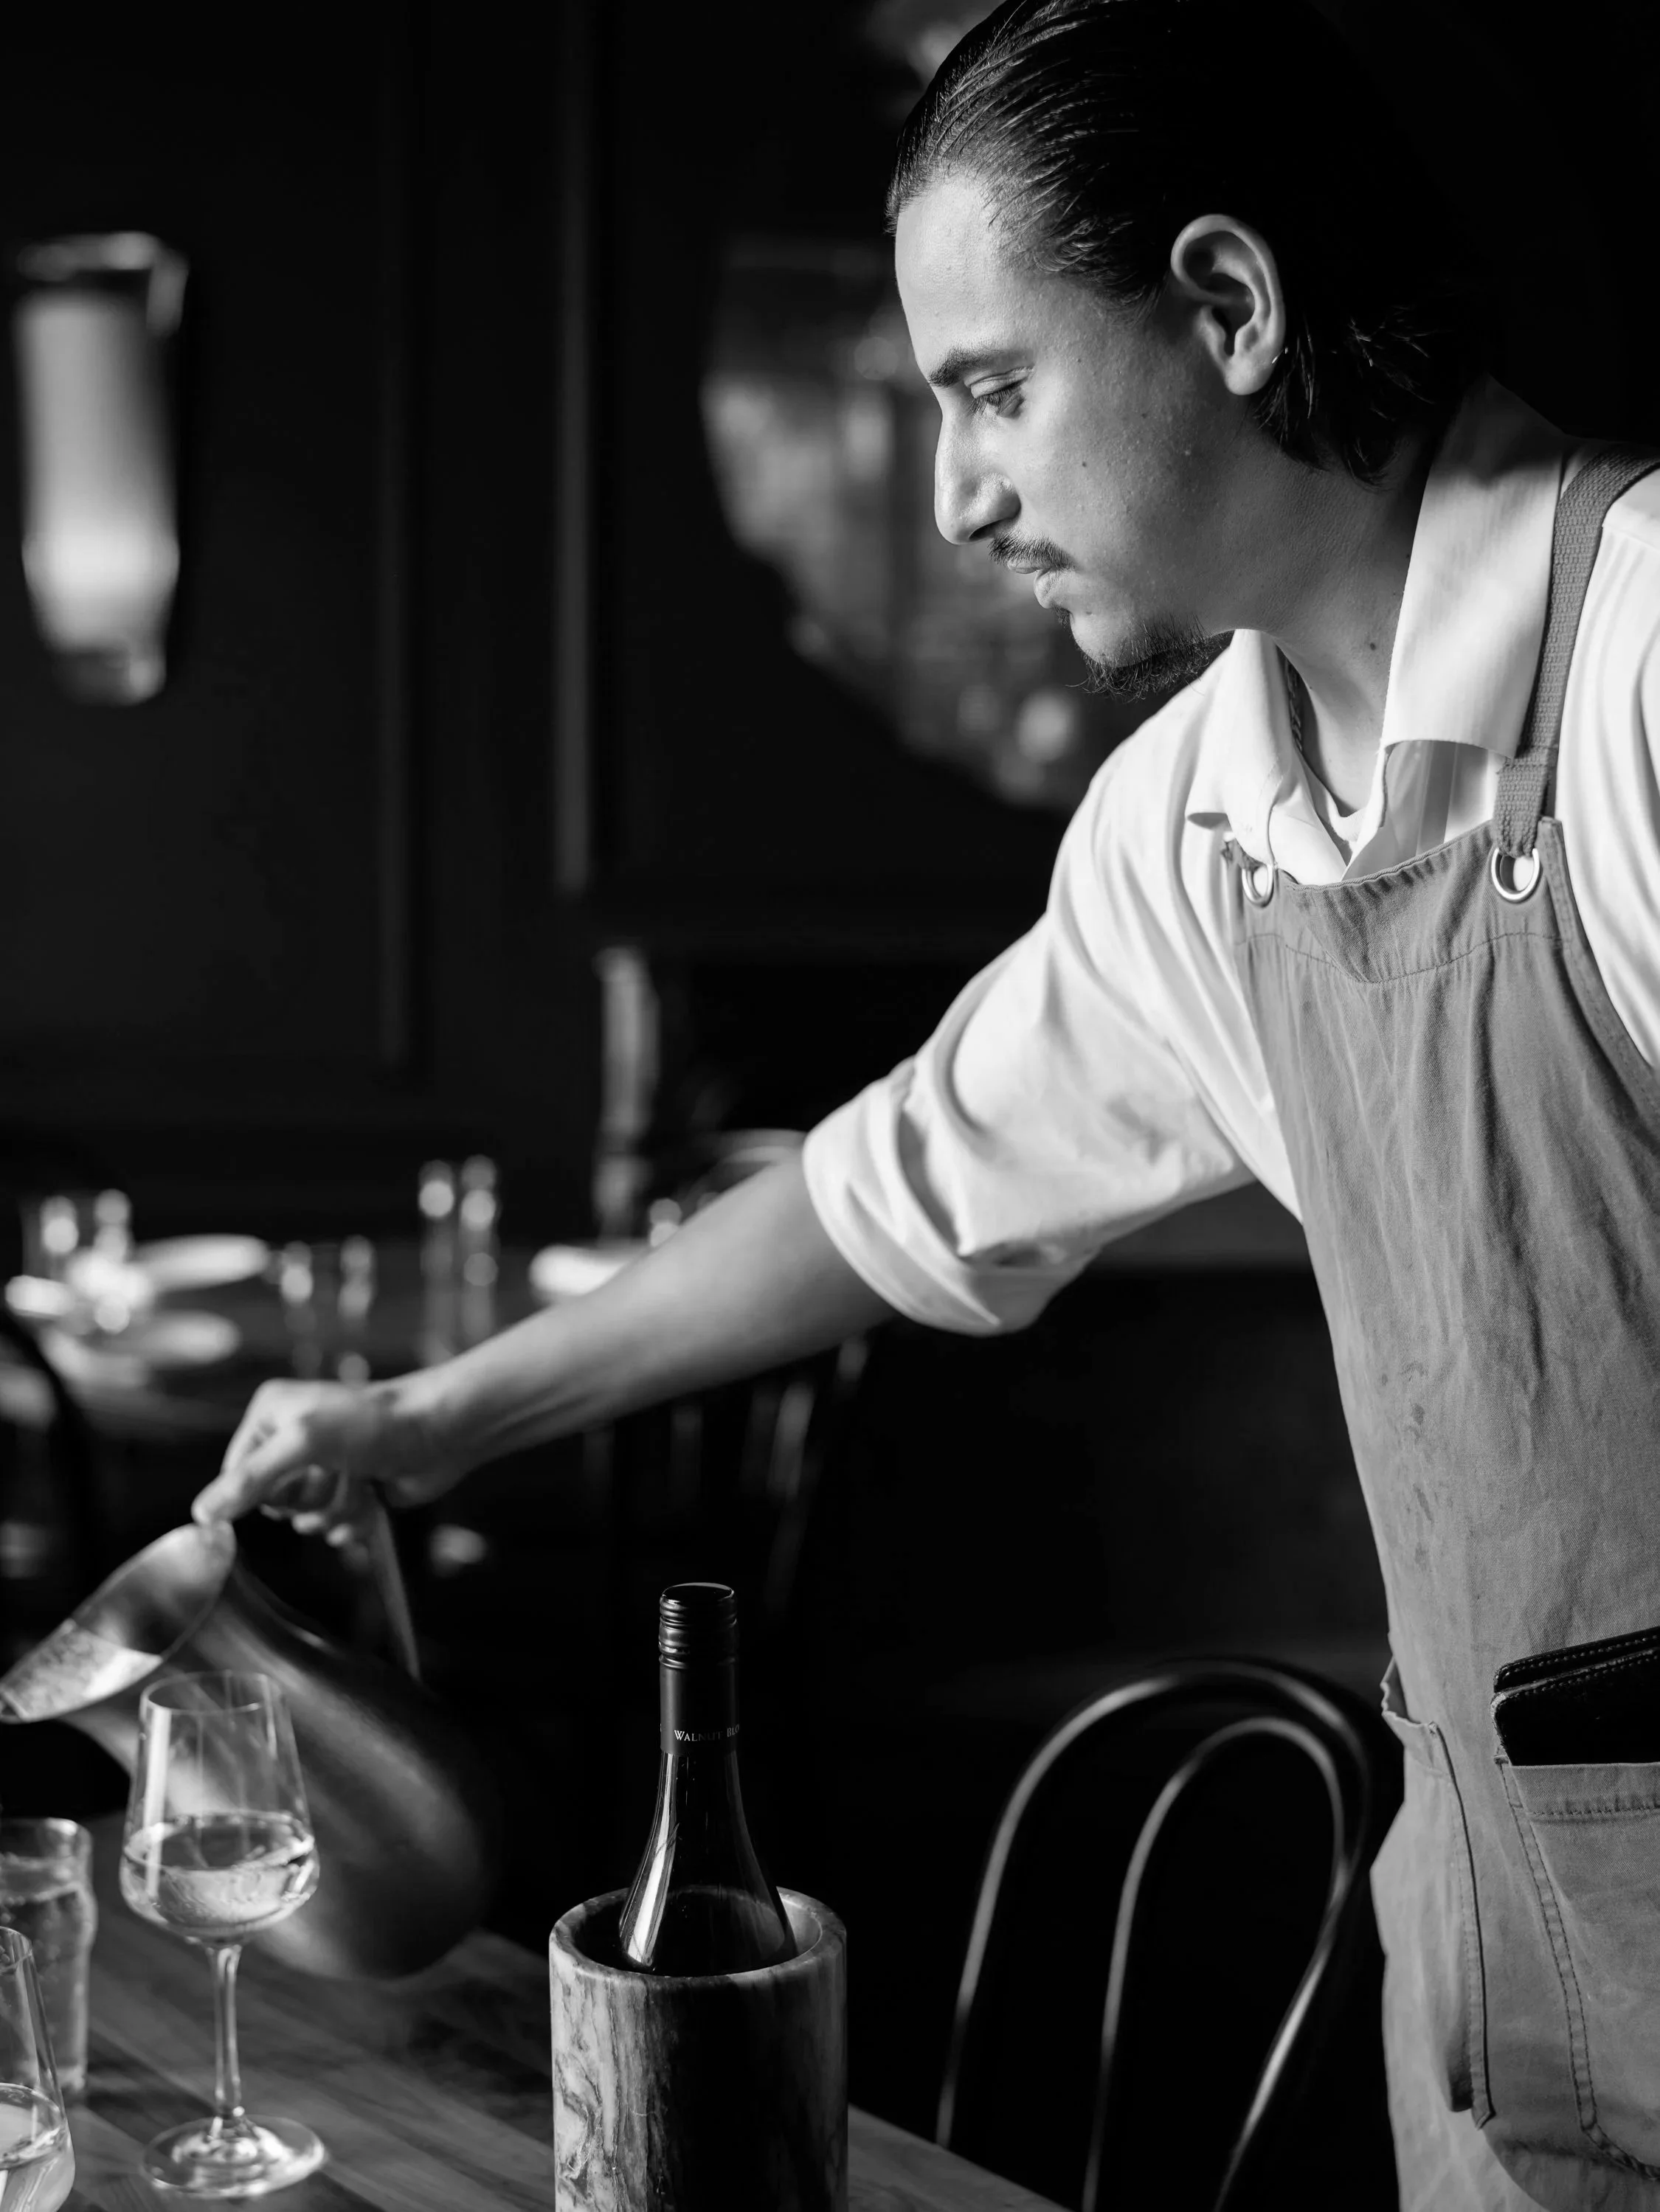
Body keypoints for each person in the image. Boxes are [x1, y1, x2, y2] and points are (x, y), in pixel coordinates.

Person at [193, 1, 1660, 2203]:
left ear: (1232, 308)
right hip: (1471, 2016)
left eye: (992, 390)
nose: (961, 495)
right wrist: (430, 1419)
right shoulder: (1203, 818)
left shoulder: (1641, 653)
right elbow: (885, 1189)